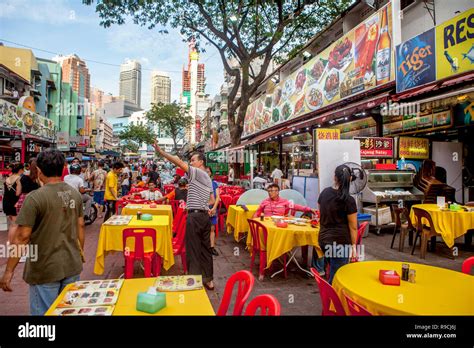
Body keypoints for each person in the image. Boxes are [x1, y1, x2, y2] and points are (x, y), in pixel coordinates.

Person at [0, 149, 84, 315]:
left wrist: (9, 271)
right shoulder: (74, 194)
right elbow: (80, 226)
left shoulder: (35, 198)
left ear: (39, 170)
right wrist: (79, 253)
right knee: (68, 311)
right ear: (63, 168)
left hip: (44, 268)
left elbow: (22, 237)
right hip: (72, 264)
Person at [153, 143, 215, 290]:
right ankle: (209, 280)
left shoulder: (197, 173)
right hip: (204, 216)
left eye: (193, 160)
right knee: (206, 249)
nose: (191, 163)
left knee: (192, 249)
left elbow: (179, 162)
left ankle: (194, 280)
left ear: (200, 162)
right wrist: (201, 202)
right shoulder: (207, 178)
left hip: (194, 217)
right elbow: (212, 201)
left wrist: (161, 152)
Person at [318, 164, 358, 284]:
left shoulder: (324, 193)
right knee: (337, 277)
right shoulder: (349, 200)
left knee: (334, 268)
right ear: (350, 179)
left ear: (334, 177)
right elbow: (353, 227)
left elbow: (321, 211)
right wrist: (354, 247)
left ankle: (331, 296)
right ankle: (331, 300)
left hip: (323, 240)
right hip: (340, 243)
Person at [3, 163, 24, 243]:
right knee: (15, 225)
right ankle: (12, 242)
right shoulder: (19, 179)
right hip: (14, 203)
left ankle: (10, 241)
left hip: (6, 202)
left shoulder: (8, 178)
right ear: (20, 170)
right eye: (22, 169)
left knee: (12, 224)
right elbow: (17, 193)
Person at [206, 167, 220, 256]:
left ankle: (211, 247)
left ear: (211, 173)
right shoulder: (200, 184)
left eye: (208, 172)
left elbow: (218, 196)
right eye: (205, 172)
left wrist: (214, 208)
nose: (206, 173)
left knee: (212, 229)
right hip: (203, 209)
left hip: (213, 209)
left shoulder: (214, 184)